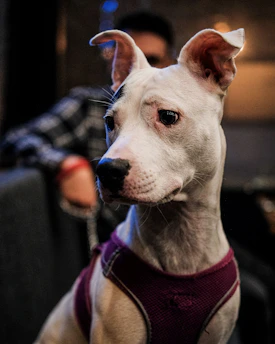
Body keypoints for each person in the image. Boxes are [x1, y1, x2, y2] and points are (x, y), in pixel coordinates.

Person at [0, 11, 176, 237]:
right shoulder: (90, 105)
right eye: (128, 60)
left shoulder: (185, 110)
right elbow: (14, 140)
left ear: (170, 62)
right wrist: (66, 164)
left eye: (150, 60)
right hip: (117, 245)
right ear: (116, 65)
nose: (138, 69)